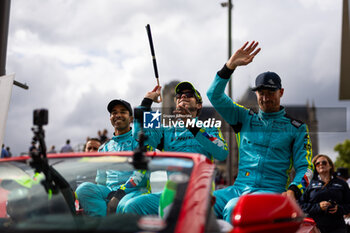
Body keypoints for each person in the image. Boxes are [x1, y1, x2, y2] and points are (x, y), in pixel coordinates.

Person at [207, 41, 314, 223]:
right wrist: (229, 66)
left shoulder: (297, 128)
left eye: (271, 93)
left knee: (234, 207)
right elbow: (213, 95)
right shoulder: (244, 117)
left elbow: (306, 168)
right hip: (238, 188)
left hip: (271, 192)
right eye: (261, 93)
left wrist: (294, 190)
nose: (265, 98)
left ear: (281, 92)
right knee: (198, 203)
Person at [122, 81, 228, 216]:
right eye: (179, 96)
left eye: (189, 95)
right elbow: (138, 135)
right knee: (132, 206)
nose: (182, 97)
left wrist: (191, 125)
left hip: (201, 196)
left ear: (199, 105)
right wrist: (147, 102)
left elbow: (222, 153)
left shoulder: (210, 127)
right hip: (173, 196)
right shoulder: (167, 129)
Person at [75, 99, 151, 216]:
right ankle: (101, 225)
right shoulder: (103, 148)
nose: (118, 115)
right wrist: (111, 196)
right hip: (110, 193)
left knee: (127, 205)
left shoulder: (140, 142)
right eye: (114, 112)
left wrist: (120, 194)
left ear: (131, 119)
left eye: (123, 112)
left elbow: (142, 175)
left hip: (135, 192)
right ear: (110, 118)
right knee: (83, 189)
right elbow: (101, 180)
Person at [299, 154, 350, 233]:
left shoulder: (342, 184)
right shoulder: (308, 184)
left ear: (330, 166)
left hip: (338, 228)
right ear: (315, 167)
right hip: (314, 227)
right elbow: (300, 205)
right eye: (317, 164)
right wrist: (318, 207)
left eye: (324, 163)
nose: (321, 165)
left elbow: (348, 204)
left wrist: (338, 208)